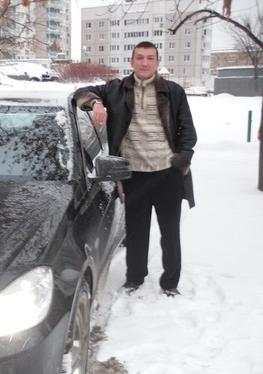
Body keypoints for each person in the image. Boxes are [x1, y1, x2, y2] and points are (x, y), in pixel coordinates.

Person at [73, 41, 197, 297]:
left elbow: (188, 132)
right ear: (131, 61)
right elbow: (81, 92)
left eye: (150, 57)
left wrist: (180, 163)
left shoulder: (173, 91)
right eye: (139, 57)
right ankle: (135, 278)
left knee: (170, 233)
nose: (144, 62)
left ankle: (170, 283)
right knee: (137, 231)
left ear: (157, 62)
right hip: (134, 175)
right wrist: (96, 104)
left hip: (167, 174)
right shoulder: (115, 89)